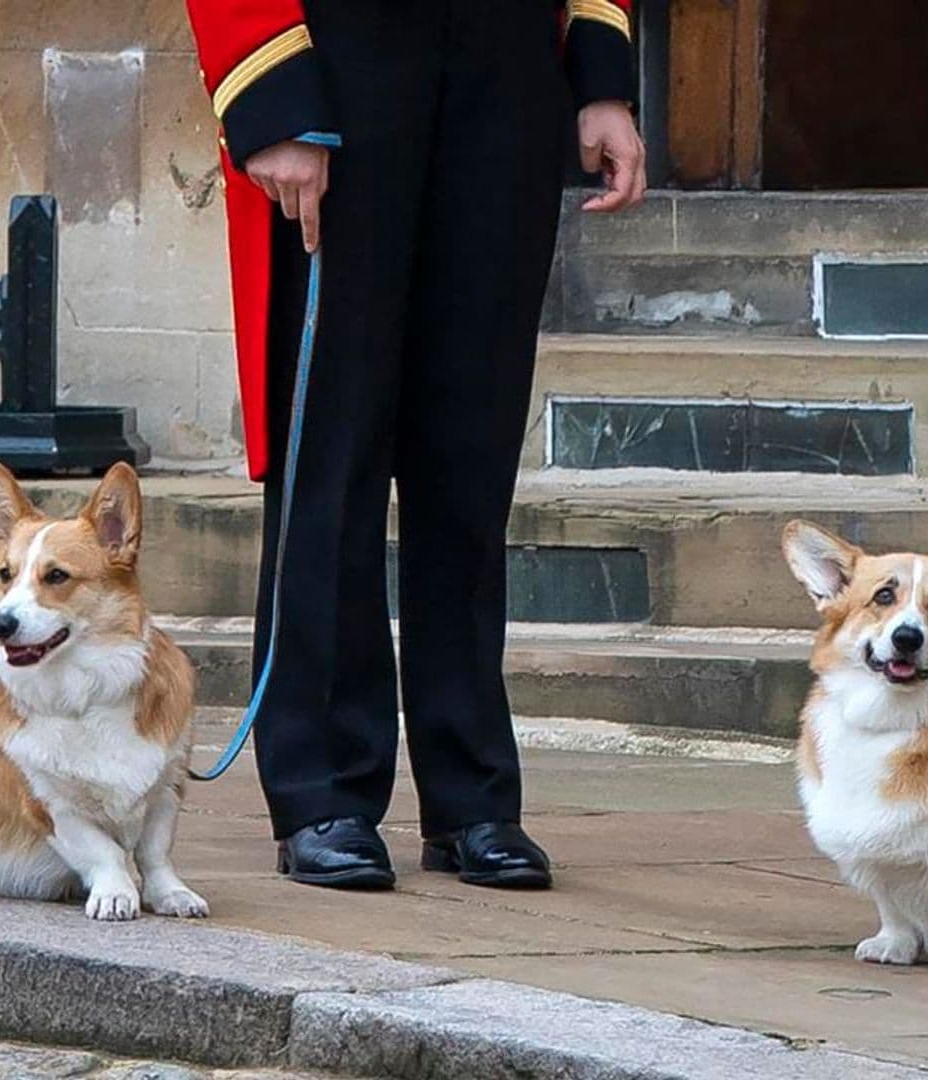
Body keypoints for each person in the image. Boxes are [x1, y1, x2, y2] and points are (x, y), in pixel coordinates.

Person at [185, 0, 646, 891]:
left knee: (469, 457)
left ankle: (472, 796)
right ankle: (324, 790)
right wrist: (274, 91)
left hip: (504, 64)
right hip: (342, 58)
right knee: (333, 449)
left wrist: (599, 72)